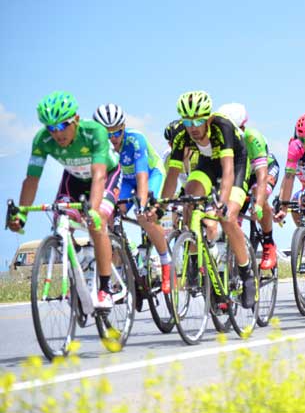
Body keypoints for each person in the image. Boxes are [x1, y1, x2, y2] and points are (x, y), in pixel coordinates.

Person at [9, 91, 121, 309]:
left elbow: (99, 175)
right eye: (51, 128)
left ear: (76, 120)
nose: (57, 133)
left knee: (97, 222)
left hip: (106, 175)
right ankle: (79, 258)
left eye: (62, 126)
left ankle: (105, 289)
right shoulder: (42, 140)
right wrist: (21, 214)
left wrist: (93, 210)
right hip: (74, 178)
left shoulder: (94, 132)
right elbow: (31, 180)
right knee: (60, 220)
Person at [161, 91, 255, 308]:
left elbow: (228, 171)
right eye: (188, 122)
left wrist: (222, 202)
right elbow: (172, 175)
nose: (192, 127)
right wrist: (161, 206)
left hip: (236, 164)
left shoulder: (222, 126)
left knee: (227, 218)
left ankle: (246, 273)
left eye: (198, 121)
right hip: (208, 164)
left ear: (208, 118)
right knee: (189, 197)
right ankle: (195, 258)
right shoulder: (181, 133)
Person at [93, 103, 172, 293]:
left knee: (144, 216)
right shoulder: (98, 147)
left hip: (150, 175)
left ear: (123, 127)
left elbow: (142, 177)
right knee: (110, 217)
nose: (113, 138)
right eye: (107, 134)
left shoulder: (135, 140)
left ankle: (165, 261)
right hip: (126, 181)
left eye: (116, 132)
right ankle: (126, 262)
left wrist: (142, 205)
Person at [217, 103, 281, 272]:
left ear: (242, 127)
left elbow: (261, 176)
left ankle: (268, 243)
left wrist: (258, 204)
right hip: (242, 174)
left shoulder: (252, 138)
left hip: (263, 170)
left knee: (259, 193)